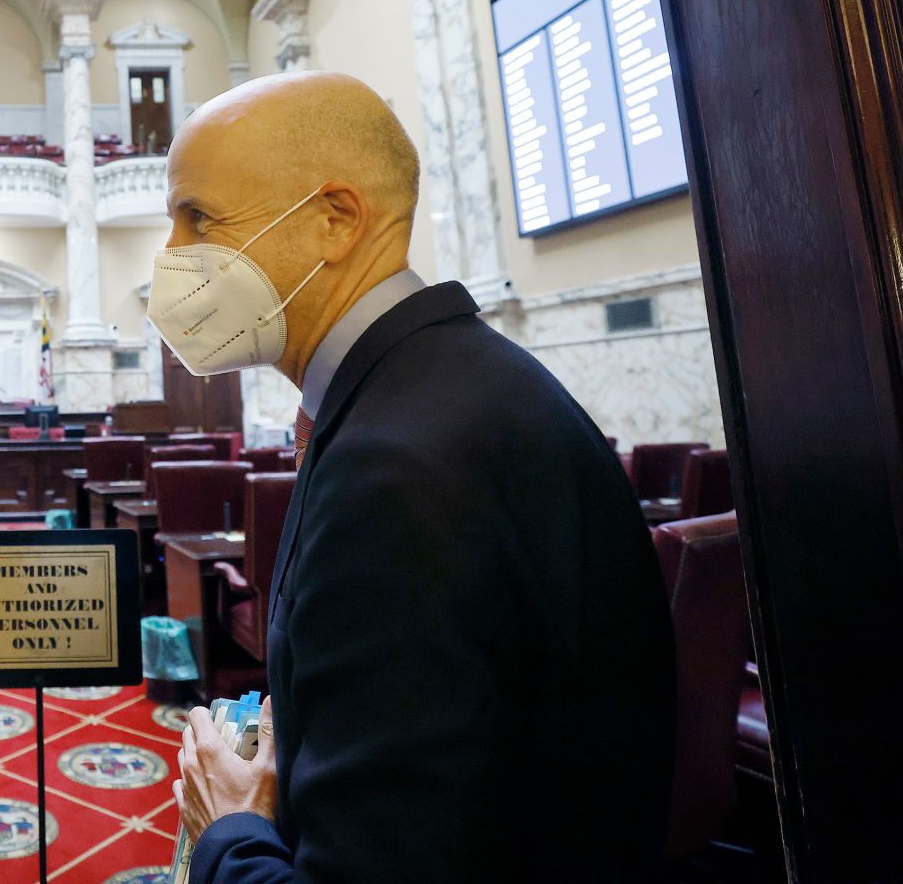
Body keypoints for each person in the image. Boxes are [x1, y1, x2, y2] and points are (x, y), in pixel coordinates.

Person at [159, 72, 673, 882]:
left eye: (200, 219)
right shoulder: (458, 380)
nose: (172, 258)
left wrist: (228, 830)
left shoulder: (392, 469)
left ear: (335, 220)